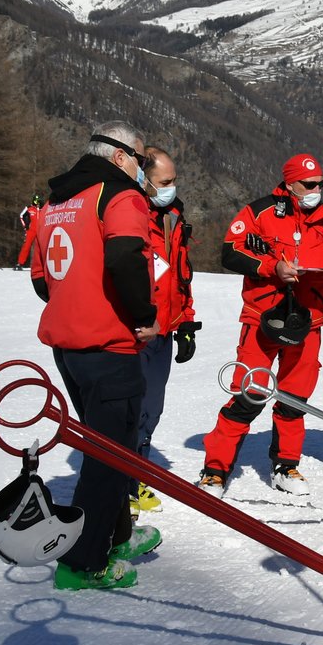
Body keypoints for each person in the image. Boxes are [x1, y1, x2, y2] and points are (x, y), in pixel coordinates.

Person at [29, 122, 163, 590]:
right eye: (141, 161)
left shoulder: (57, 200)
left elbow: (42, 278)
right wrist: (143, 314)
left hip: (70, 346)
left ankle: (116, 535)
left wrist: (75, 300)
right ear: (121, 156)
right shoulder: (119, 196)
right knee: (109, 459)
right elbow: (126, 257)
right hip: (110, 346)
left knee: (109, 448)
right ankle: (84, 563)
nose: (143, 171)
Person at [197, 153, 323, 497]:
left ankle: (286, 464)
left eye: (320, 184)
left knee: (294, 399)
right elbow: (230, 251)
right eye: (308, 185)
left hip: (307, 324)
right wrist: (272, 267)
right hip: (262, 319)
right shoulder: (259, 212)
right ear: (290, 183)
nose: (316, 190)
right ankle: (215, 471)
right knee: (248, 395)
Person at [133, 147, 200, 512]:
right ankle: (125, 478)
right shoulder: (128, 215)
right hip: (137, 330)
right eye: (165, 182)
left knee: (152, 407)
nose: (172, 188)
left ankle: (137, 467)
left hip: (165, 329)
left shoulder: (174, 216)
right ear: (144, 180)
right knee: (131, 405)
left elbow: (181, 276)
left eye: (174, 180)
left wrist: (186, 321)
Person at [15, 194, 41, 270]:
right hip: (31, 230)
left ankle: (41, 265)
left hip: (40, 231)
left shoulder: (42, 209)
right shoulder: (29, 208)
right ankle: (20, 263)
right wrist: (25, 226)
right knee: (26, 246)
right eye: (36, 201)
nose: (37, 203)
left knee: (41, 247)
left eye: (38, 201)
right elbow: (21, 216)